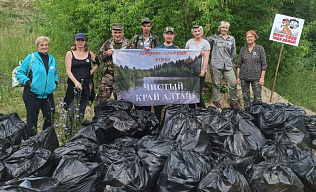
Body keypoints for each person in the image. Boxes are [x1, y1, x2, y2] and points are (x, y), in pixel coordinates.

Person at [16, 36, 58, 137]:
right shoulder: (31, 57)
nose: (44, 47)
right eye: (42, 45)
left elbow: (55, 73)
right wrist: (29, 83)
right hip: (32, 95)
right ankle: (32, 142)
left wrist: (55, 83)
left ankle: (44, 140)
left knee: (50, 118)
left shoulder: (52, 59)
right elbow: (19, 73)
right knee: (32, 120)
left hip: (48, 95)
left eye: (46, 44)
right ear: (37, 46)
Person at [64, 33, 100, 127]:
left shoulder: (89, 53)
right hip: (74, 83)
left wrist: (90, 72)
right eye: (78, 40)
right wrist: (76, 82)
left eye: (82, 40)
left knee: (82, 108)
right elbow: (68, 70)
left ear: (85, 42)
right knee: (72, 108)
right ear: (75, 41)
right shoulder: (70, 53)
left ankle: (78, 128)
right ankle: (68, 130)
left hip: (87, 84)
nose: (80, 42)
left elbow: (97, 64)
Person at [96, 23, 130, 105]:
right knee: (101, 100)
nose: (117, 35)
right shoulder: (108, 43)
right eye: (115, 32)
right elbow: (100, 57)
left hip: (122, 77)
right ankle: (99, 116)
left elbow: (133, 59)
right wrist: (107, 53)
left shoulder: (129, 45)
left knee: (122, 101)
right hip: (108, 75)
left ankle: (122, 117)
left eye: (119, 32)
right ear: (112, 33)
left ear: (123, 33)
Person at [206, 21, 238, 109]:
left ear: (228, 29)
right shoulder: (215, 37)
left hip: (228, 65)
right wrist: (206, 30)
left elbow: (233, 51)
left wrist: (231, 60)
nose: (224, 29)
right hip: (216, 64)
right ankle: (216, 101)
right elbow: (203, 41)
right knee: (216, 84)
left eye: (226, 28)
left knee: (233, 83)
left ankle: (233, 102)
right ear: (219, 28)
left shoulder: (232, 39)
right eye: (223, 27)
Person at [131, 17, 159, 112]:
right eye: (144, 26)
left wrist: (151, 51)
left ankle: (147, 114)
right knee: (139, 91)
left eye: (148, 26)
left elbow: (159, 53)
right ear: (141, 27)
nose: (146, 28)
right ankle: (138, 113)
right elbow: (131, 52)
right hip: (139, 69)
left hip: (151, 70)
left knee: (148, 92)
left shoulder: (155, 38)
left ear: (150, 27)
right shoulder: (136, 38)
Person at [154, 27, 179, 124]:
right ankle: (157, 127)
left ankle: (172, 127)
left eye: (171, 34)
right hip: (160, 81)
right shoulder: (157, 48)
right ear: (164, 35)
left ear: (173, 36)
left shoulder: (178, 49)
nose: (169, 36)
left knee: (175, 105)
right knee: (157, 106)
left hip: (173, 81)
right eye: (167, 34)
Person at [237, 30, 267, 107]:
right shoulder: (243, 49)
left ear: (255, 38)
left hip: (256, 77)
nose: (249, 38)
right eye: (248, 37)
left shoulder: (260, 49)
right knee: (246, 98)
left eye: (251, 37)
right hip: (244, 77)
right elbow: (239, 64)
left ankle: (258, 114)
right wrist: (238, 77)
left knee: (258, 98)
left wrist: (262, 78)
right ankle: (247, 114)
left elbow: (264, 65)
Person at [185, 24, 210, 109]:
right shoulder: (189, 42)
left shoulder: (205, 43)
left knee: (197, 94)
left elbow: (206, 58)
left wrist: (203, 70)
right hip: (190, 71)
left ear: (201, 32)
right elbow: (186, 56)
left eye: (199, 31)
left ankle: (203, 111)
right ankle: (192, 111)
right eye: (195, 31)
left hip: (200, 71)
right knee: (190, 93)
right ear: (193, 33)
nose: (197, 33)